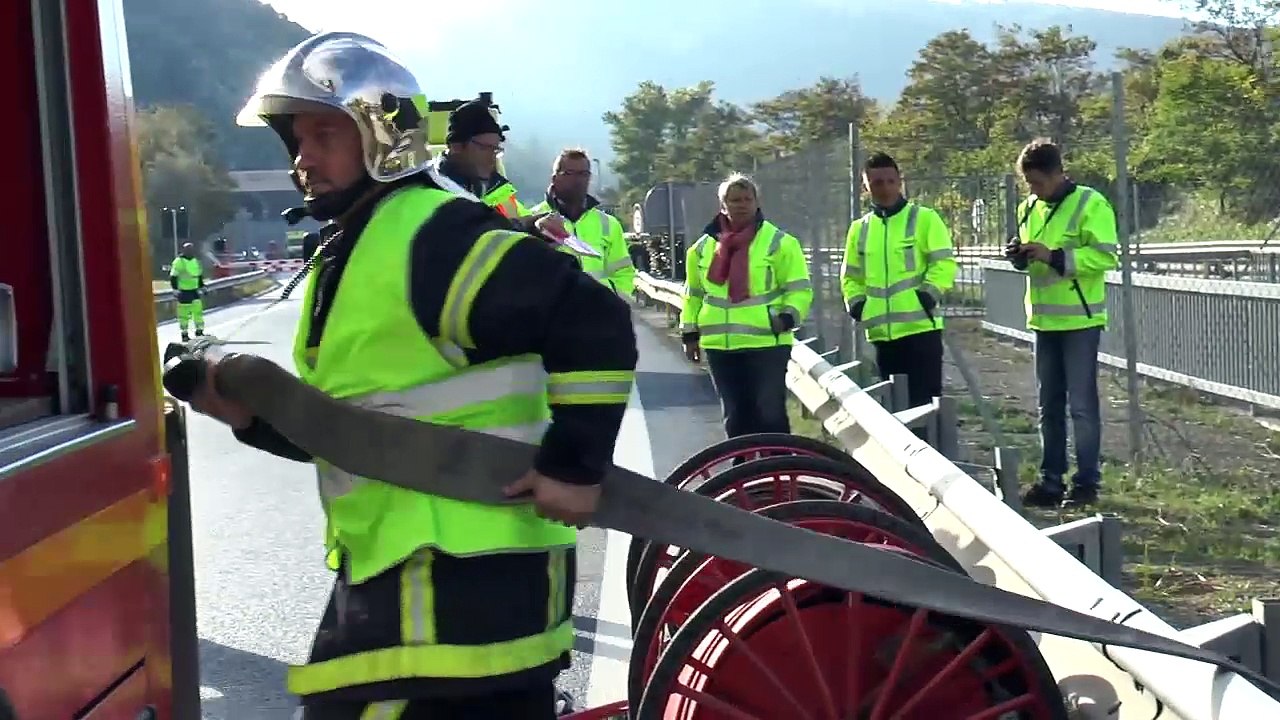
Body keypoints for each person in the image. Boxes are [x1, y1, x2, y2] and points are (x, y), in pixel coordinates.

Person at [195, 31, 638, 719]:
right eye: (296, 140)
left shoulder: (434, 235)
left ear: (382, 138)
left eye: (323, 135)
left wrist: (576, 466)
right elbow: (366, 428)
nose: (303, 157)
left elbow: (593, 318)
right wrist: (251, 417)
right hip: (415, 595)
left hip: (452, 600)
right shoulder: (360, 244)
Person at [1005, 138, 1117, 509]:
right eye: (1028, 183)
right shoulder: (1028, 208)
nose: (1033, 190)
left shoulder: (1090, 203)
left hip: (1080, 319)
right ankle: (1050, 481)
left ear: (1057, 173)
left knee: (1082, 404)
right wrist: (1020, 255)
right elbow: (1030, 249)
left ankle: (1086, 482)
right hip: (1043, 318)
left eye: (1038, 182)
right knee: (1047, 405)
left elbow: (1105, 256)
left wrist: (1055, 256)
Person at [679, 173, 812, 439]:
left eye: (746, 199)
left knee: (769, 412)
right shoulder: (701, 249)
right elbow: (692, 295)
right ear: (722, 205)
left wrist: (786, 318)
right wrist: (689, 333)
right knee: (735, 415)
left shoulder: (781, 243)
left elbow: (799, 290)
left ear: (756, 202)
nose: (741, 205)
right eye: (734, 200)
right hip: (720, 345)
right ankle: (742, 474)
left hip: (766, 343)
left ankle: (778, 470)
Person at [840, 152, 957, 442]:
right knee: (895, 410)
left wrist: (929, 293)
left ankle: (935, 461)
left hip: (920, 330)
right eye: (877, 182)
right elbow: (850, 276)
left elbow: (943, 263)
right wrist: (857, 304)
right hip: (881, 334)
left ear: (900, 181)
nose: (885, 187)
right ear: (866, 187)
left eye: (891, 181)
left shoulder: (924, 219)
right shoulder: (860, 229)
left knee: (926, 406)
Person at [430, 96, 570, 241]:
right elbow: (471, 236)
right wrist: (529, 226)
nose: (492, 158)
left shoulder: (498, 189)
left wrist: (536, 224)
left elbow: (509, 226)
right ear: (456, 147)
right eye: (484, 148)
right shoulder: (433, 191)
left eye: (496, 150)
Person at [528, 148, 635, 296]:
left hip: (597, 313)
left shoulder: (608, 224)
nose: (577, 180)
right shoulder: (533, 221)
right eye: (569, 174)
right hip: (552, 316)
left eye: (583, 174)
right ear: (554, 178)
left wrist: (609, 303)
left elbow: (624, 274)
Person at [170, 242, 205, 341]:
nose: (190, 251)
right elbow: (173, 276)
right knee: (184, 315)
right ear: (184, 250)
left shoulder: (195, 261)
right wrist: (175, 289)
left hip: (195, 291)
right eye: (188, 250)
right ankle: (184, 334)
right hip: (184, 292)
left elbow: (198, 276)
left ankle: (199, 331)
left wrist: (202, 286)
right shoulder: (179, 261)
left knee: (197, 312)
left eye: (191, 249)